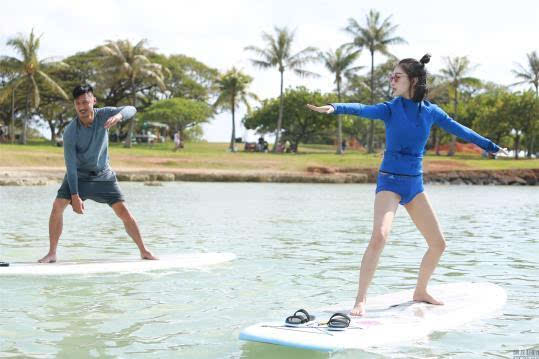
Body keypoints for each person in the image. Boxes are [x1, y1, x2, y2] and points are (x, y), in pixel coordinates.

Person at [307, 54, 508, 316]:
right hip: (389, 182)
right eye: (391, 76)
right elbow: (361, 108)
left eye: (396, 76)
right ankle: (360, 300)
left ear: (413, 80)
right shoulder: (390, 108)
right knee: (379, 236)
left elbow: (461, 131)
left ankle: (420, 291)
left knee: (438, 243)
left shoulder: (431, 112)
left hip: (414, 186)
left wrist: (492, 148)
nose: (391, 80)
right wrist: (335, 107)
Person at [38, 85, 157, 263]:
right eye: (78, 103)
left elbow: (131, 109)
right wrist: (75, 195)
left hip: (103, 175)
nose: (82, 106)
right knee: (57, 206)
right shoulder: (71, 131)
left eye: (85, 101)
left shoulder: (104, 114)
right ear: (74, 105)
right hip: (78, 175)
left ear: (93, 101)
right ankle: (52, 253)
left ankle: (144, 250)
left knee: (123, 211)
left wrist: (118, 116)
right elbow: (70, 166)